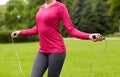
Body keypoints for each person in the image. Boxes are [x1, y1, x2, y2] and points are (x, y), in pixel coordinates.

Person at [11, 0, 104, 77]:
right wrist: (20, 32)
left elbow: (71, 30)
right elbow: (37, 29)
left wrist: (89, 36)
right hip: (42, 51)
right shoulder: (41, 8)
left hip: (57, 51)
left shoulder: (60, 7)